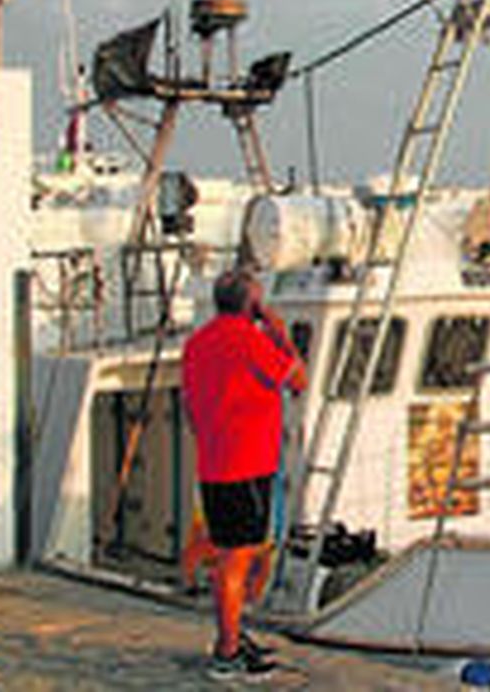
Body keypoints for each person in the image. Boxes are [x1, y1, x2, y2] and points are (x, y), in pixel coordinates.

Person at [182, 267, 308, 681]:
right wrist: (280, 334)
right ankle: (228, 651)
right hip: (248, 464)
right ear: (252, 304)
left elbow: (189, 406)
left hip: (214, 462)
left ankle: (232, 635)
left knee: (230, 554)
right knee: (236, 560)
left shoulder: (197, 343)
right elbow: (298, 380)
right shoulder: (252, 342)